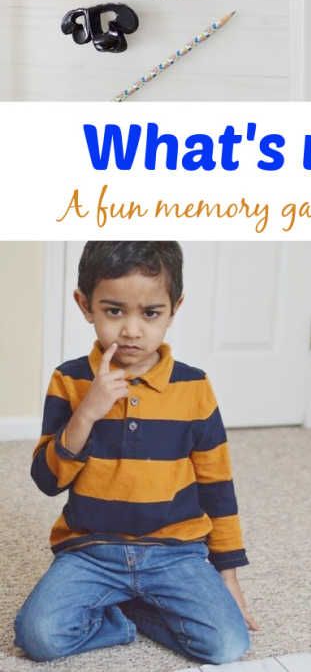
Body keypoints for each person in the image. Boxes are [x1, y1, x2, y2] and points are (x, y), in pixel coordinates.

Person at [14, 241, 256, 664]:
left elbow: (218, 485)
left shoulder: (194, 387)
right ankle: (120, 620)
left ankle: (137, 610)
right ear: (84, 305)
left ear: (174, 309)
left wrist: (227, 574)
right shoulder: (68, 381)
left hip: (176, 552)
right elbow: (47, 481)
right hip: (91, 551)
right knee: (39, 636)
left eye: (150, 313)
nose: (131, 330)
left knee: (227, 644)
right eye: (113, 311)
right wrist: (86, 414)